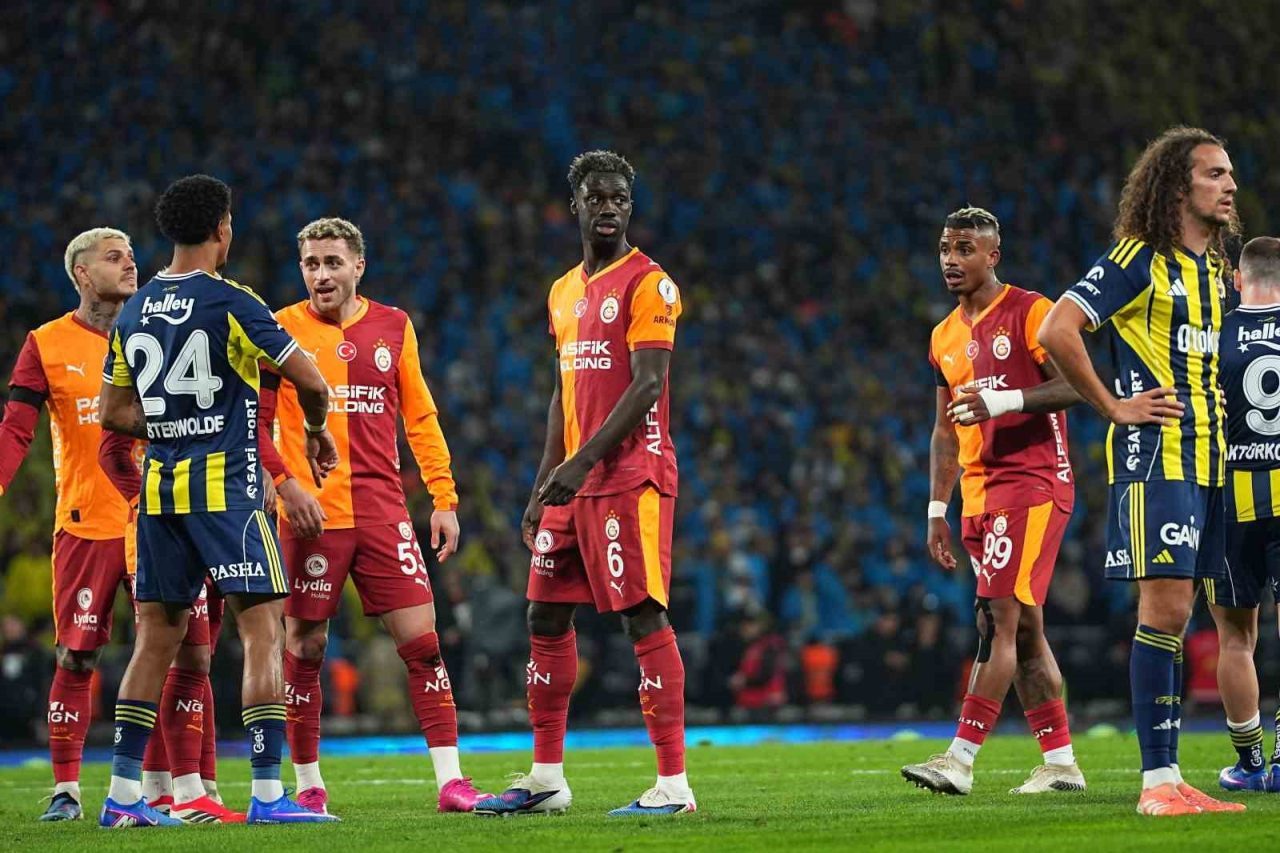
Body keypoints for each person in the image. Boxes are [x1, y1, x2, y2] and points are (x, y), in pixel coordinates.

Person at [96, 174, 339, 827]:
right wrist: (316, 429)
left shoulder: (135, 309)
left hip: (159, 495)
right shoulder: (233, 301)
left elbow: (112, 411)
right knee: (263, 631)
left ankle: (122, 798)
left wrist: (172, 422)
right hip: (227, 491)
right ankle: (267, 793)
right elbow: (312, 381)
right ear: (222, 228)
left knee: (155, 640)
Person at [474, 150, 694, 817]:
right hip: (574, 482)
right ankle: (547, 777)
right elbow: (562, 393)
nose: (608, 208)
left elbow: (648, 384)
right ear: (574, 204)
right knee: (543, 612)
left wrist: (582, 463)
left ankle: (674, 785)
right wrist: (545, 480)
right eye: (596, 197)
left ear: (631, 207)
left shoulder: (650, 284)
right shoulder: (563, 290)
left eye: (619, 198)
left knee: (641, 613)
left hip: (630, 475)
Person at [1039, 126, 1244, 816]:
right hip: (1159, 458)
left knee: (1184, 617)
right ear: (1178, 185)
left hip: (1213, 460)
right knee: (1164, 610)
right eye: (1214, 173)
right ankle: (1156, 783)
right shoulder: (1138, 258)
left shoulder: (1215, 270)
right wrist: (1113, 406)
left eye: (1230, 174)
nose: (1230, 185)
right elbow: (1058, 329)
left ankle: (1173, 775)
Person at [257, 216, 488, 815]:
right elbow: (257, 425)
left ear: (358, 266)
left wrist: (443, 499)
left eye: (333, 262)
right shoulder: (279, 329)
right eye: (311, 264)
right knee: (305, 648)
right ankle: (309, 784)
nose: (322, 274)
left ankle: (451, 782)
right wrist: (284, 486)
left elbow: (421, 417)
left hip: (384, 513)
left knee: (424, 645)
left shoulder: (394, 326)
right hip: (312, 517)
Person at [900, 207, 1084, 796]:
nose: (951, 260)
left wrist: (1002, 402)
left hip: (1033, 482)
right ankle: (1061, 765)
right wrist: (937, 509)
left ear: (992, 256)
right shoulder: (943, 336)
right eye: (944, 249)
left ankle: (959, 759)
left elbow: (1077, 385)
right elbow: (944, 430)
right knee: (1024, 628)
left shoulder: (1032, 311)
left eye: (964, 249)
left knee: (994, 618)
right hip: (979, 492)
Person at [0, 227, 138, 821]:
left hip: (157, 519)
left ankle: (178, 788)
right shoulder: (46, 343)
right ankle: (66, 790)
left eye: (131, 255)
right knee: (77, 658)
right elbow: (15, 429)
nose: (130, 264)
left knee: (180, 655)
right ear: (82, 273)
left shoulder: (156, 330)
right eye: (114, 257)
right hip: (85, 522)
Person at [1202, 236, 1280, 793]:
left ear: (1236, 279)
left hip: (1230, 501)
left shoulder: (1213, 334)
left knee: (1235, 638)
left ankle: (1251, 764)